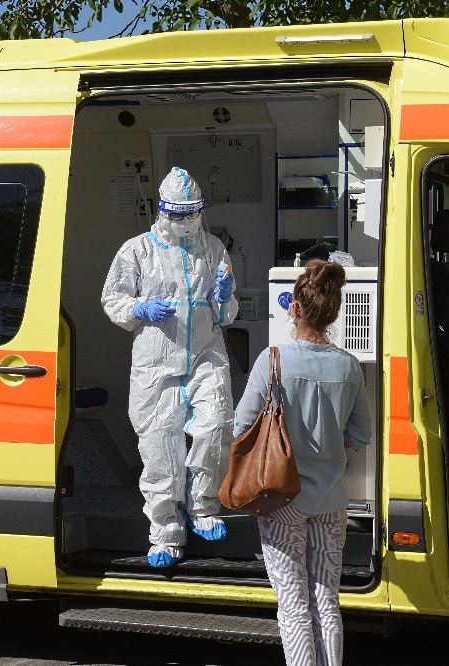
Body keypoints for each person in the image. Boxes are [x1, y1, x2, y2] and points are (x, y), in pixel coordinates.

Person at [233, 259, 372, 665]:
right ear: (332, 313)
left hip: (281, 500)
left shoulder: (272, 361)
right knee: (326, 601)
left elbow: (243, 423)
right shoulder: (348, 366)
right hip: (331, 501)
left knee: (293, 606)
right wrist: (331, 448)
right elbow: (361, 433)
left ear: (294, 309)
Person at [102, 166, 238, 568]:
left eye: (191, 213)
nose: (184, 221)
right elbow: (113, 301)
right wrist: (139, 308)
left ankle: (202, 506)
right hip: (156, 362)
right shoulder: (136, 250)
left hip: (206, 354)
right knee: (160, 447)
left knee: (215, 427)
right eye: (177, 214)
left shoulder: (213, 248)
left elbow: (226, 312)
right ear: (163, 212)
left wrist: (225, 297)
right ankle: (165, 532)